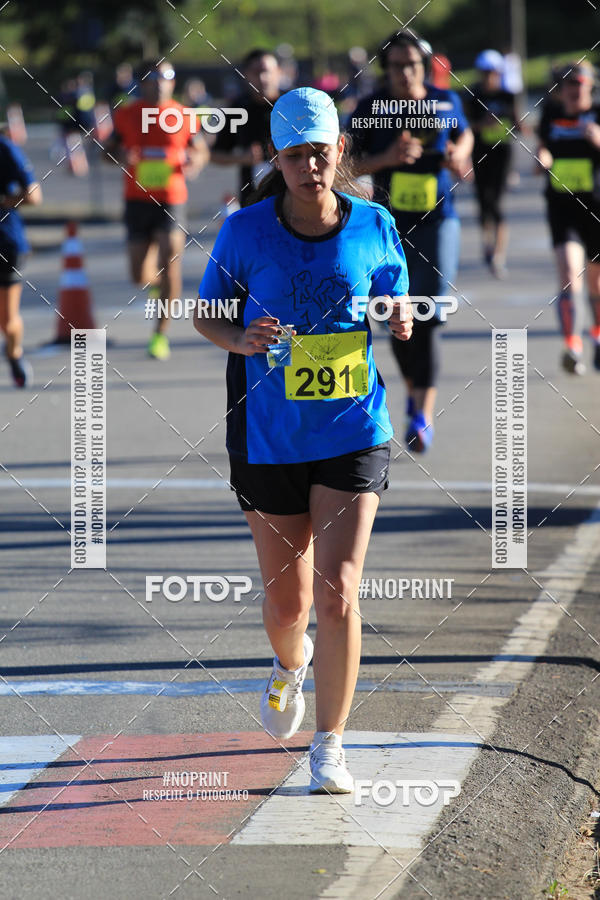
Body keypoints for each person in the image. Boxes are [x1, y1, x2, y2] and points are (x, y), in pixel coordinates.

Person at [193, 87, 413, 792]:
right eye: (295, 155)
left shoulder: (374, 222)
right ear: (276, 159)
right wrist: (240, 338)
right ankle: (290, 664)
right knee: (289, 606)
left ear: (339, 150)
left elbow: (391, 291)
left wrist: (398, 313)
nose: (310, 166)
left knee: (338, 590)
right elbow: (206, 314)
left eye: (320, 153)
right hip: (269, 434)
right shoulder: (245, 231)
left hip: (353, 427)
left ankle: (330, 744)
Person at [349, 30, 473, 452]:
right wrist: (386, 159)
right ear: (386, 69)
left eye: (414, 64)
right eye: (398, 65)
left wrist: (459, 153)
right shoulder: (370, 109)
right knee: (395, 317)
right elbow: (346, 164)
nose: (407, 72)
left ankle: (423, 414)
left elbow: (464, 135)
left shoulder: (445, 101)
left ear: (425, 66)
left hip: (438, 221)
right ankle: (413, 393)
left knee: (429, 313)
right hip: (387, 227)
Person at [105, 59, 209, 360]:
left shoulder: (184, 115)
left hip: (171, 199)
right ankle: (157, 284)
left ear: (173, 82)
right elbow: (106, 153)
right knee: (139, 275)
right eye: (153, 78)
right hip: (137, 199)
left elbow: (201, 150)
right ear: (142, 83)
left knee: (171, 261)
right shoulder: (126, 115)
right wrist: (119, 155)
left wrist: (195, 162)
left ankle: (160, 335)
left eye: (166, 77)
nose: (160, 84)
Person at [536, 61, 600, 374]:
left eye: (579, 83)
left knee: (596, 282)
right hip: (562, 207)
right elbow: (544, 147)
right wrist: (542, 157)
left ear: (591, 85)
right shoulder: (551, 113)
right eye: (568, 84)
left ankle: (597, 335)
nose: (574, 89)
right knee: (568, 272)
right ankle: (572, 345)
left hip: (596, 209)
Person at [467, 50, 517, 279]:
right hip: (479, 154)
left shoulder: (508, 96)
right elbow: (464, 126)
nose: (489, 77)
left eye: (493, 72)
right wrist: (482, 124)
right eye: (485, 72)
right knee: (483, 203)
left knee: (497, 204)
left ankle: (499, 255)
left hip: (502, 155)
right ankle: (487, 242)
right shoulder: (472, 95)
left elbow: (517, 123)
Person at [210, 49, 282, 207]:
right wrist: (242, 158)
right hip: (253, 199)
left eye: (266, 71)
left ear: (278, 72)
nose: (263, 78)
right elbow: (215, 154)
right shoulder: (238, 108)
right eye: (256, 73)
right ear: (246, 75)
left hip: (292, 197)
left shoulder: (292, 104)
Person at [0, 128, 42, 387]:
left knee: (7, 319)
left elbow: (34, 196)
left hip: (6, 243)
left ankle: (14, 354)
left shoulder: (5, 149)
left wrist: (5, 200)